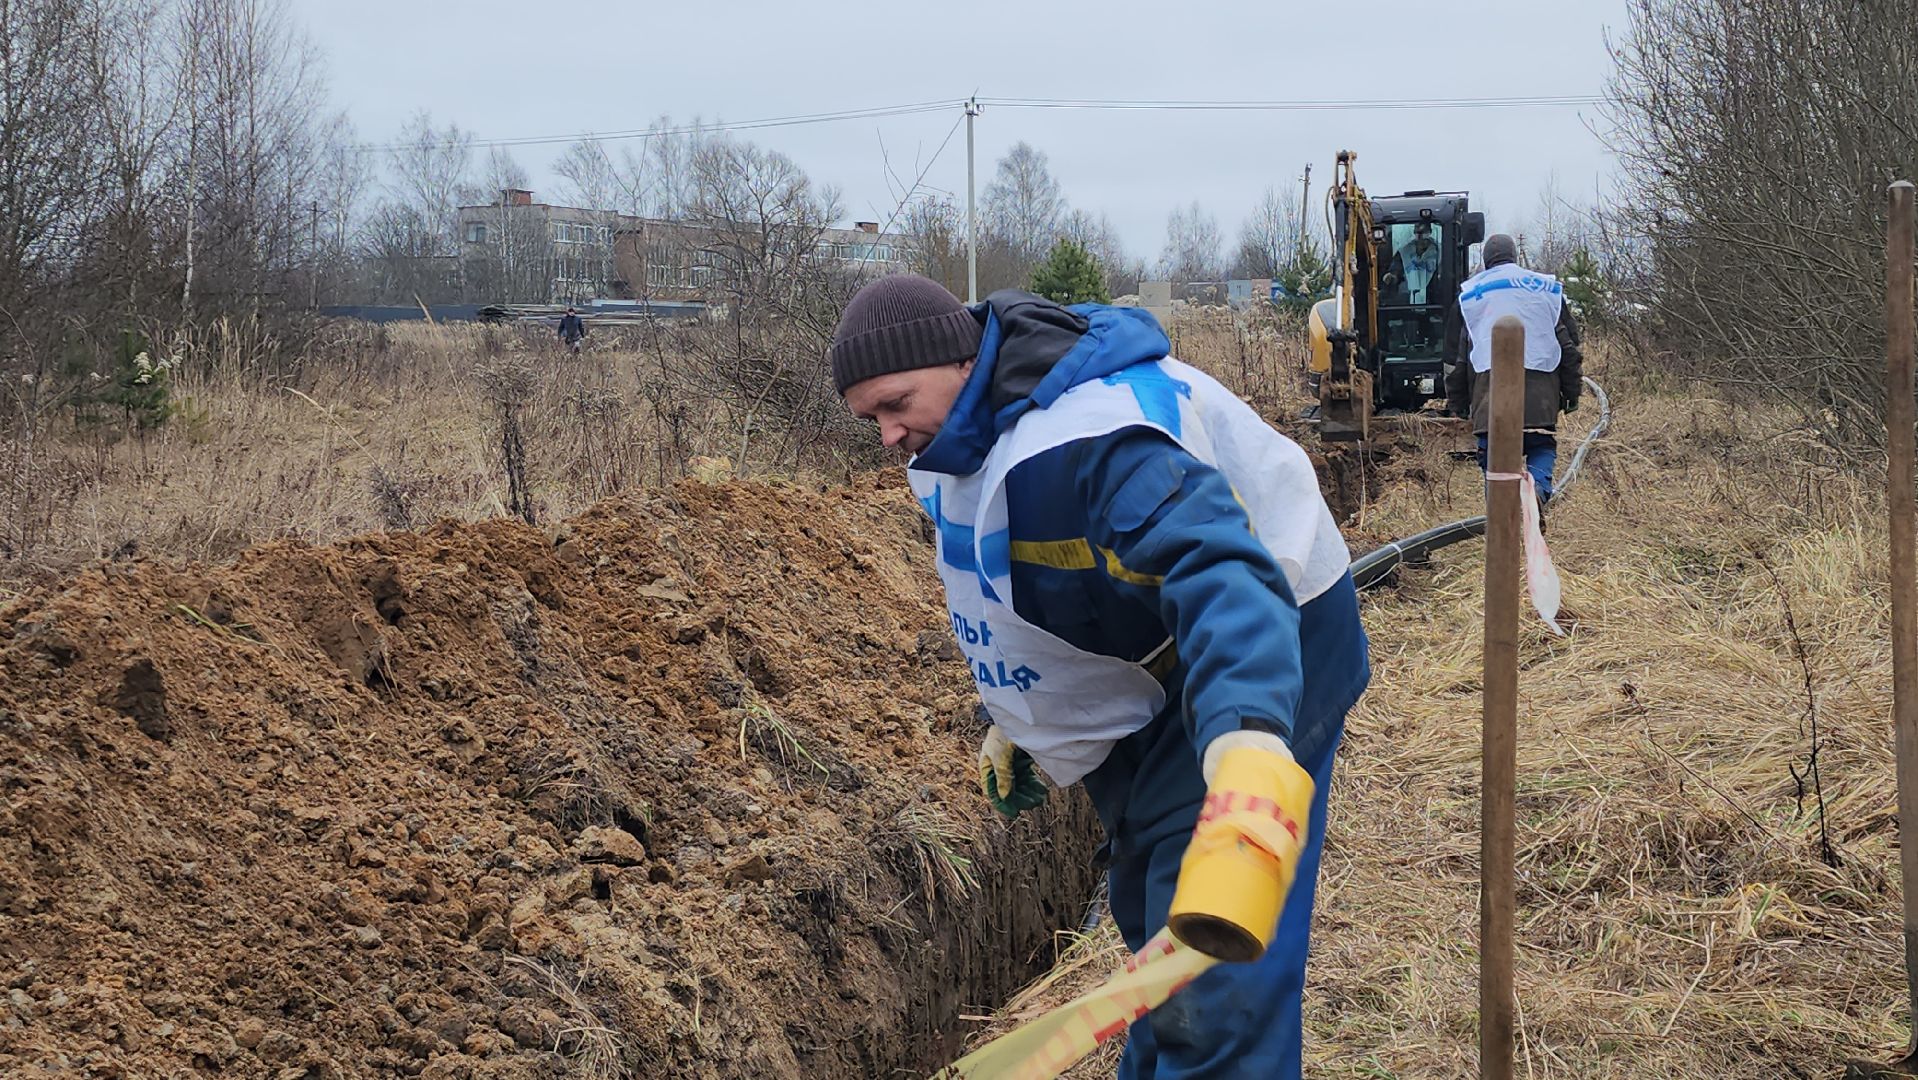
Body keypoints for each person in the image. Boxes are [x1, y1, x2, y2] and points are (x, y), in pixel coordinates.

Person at [830, 275, 1370, 1079]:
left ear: (958, 358)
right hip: (1153, 662)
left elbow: (1222, 575)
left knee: (1212, 976)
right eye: (870, 417)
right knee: (1152, 929)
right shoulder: (951, 447)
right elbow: (1017, 575)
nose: (886, 434)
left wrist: (1249, 738)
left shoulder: (1095, 438)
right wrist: (1024, 711)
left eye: (895, 403)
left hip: (1257, 647)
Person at [1444, 233, 1584, 503]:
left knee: (1494, 462)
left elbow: (1456, 361)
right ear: (1514, 257)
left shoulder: (1471, 296)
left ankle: (1500, 518)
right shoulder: (1546, 291)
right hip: (1540, 400)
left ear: (1486, 262)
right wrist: (1571, 394)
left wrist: (1459, 404)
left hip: (1490, 401)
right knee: (1540, 445)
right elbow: (1569, 350)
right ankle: (1538, 496)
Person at [1382, 222, 1442, 304]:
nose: (1421, 241)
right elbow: (1396, 269)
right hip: (1408, 300)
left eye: (1424, 236)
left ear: (1430, 233)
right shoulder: (1405, 251)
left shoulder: (1440, 251)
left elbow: (1446, 273)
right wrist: (1392, 276)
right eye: (1418, 234)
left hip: (1433, 300)